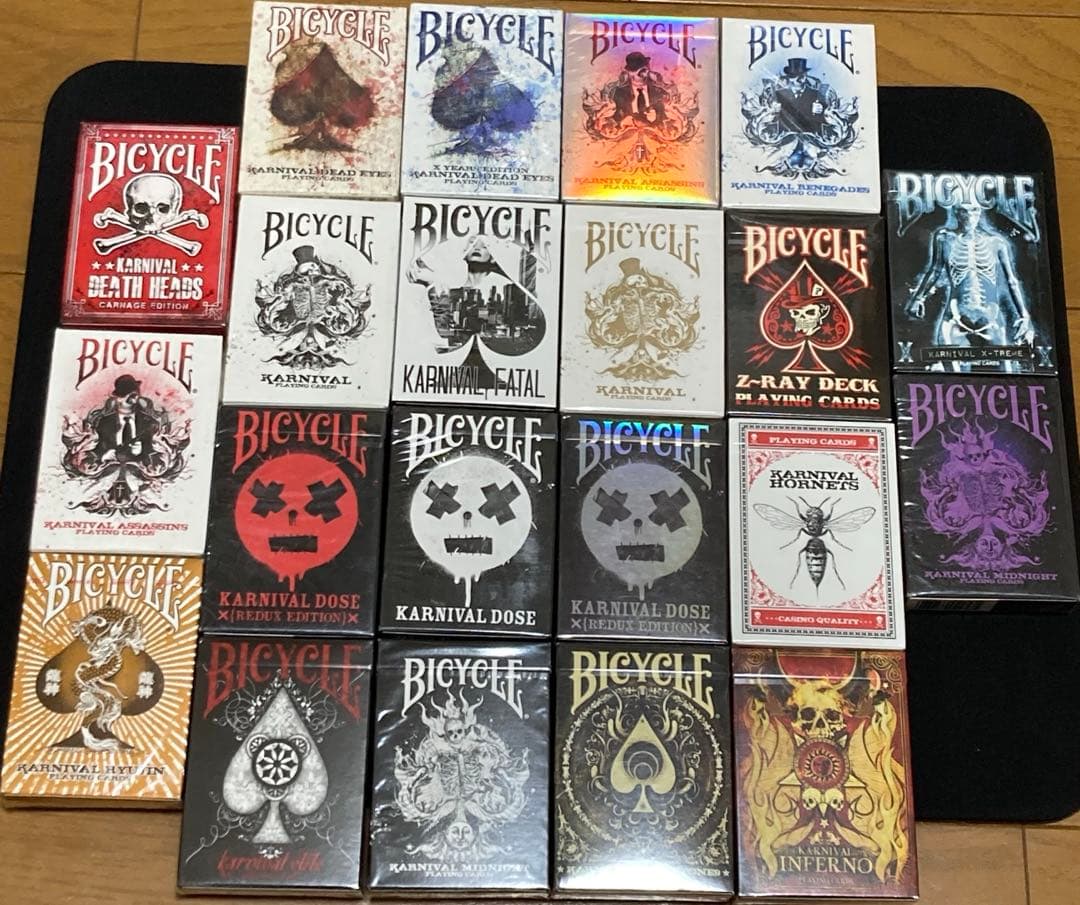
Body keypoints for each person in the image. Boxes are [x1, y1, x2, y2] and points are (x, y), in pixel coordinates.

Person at [908, 203, 1034, 371]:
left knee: (1007, 373)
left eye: (973, 210)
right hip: (955, 317)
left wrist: (1024, 316)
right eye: (963, 211)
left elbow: (1012, 280)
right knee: (949, 375)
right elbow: (935, 270)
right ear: (956, 213)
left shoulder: (996, 243)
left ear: (980, 212)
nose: (969, 216)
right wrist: (918, 298)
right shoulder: (945, 239)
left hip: (990, 318)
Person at [90, 375, 160, 466]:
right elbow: (94, 451)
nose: (134, 399)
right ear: (118, 398)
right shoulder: (104, 423)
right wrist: (104, 456)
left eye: (136, 394)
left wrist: (143, 451)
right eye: (129, 395)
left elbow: (157, 454)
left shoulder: (150, 423)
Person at [773, 58, 827, 136]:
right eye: (794, 76)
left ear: (806, 76)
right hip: (786, 139)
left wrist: (821, 112)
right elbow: (773, 124)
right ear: (789, 78)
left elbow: (825, 121)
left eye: (801, 76)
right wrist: (773, 112)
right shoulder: (779, 94)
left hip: (810, 139)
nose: (798, 80)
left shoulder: (816, 94)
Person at [612, 52, 668, 125]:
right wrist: (624, 121)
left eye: (645, 69)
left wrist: (657, 118)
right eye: (639, 71)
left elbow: (667, 119)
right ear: (629, 72)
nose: (645, 74)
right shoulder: (620, 94)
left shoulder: (659, 92)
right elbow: (614, 120)